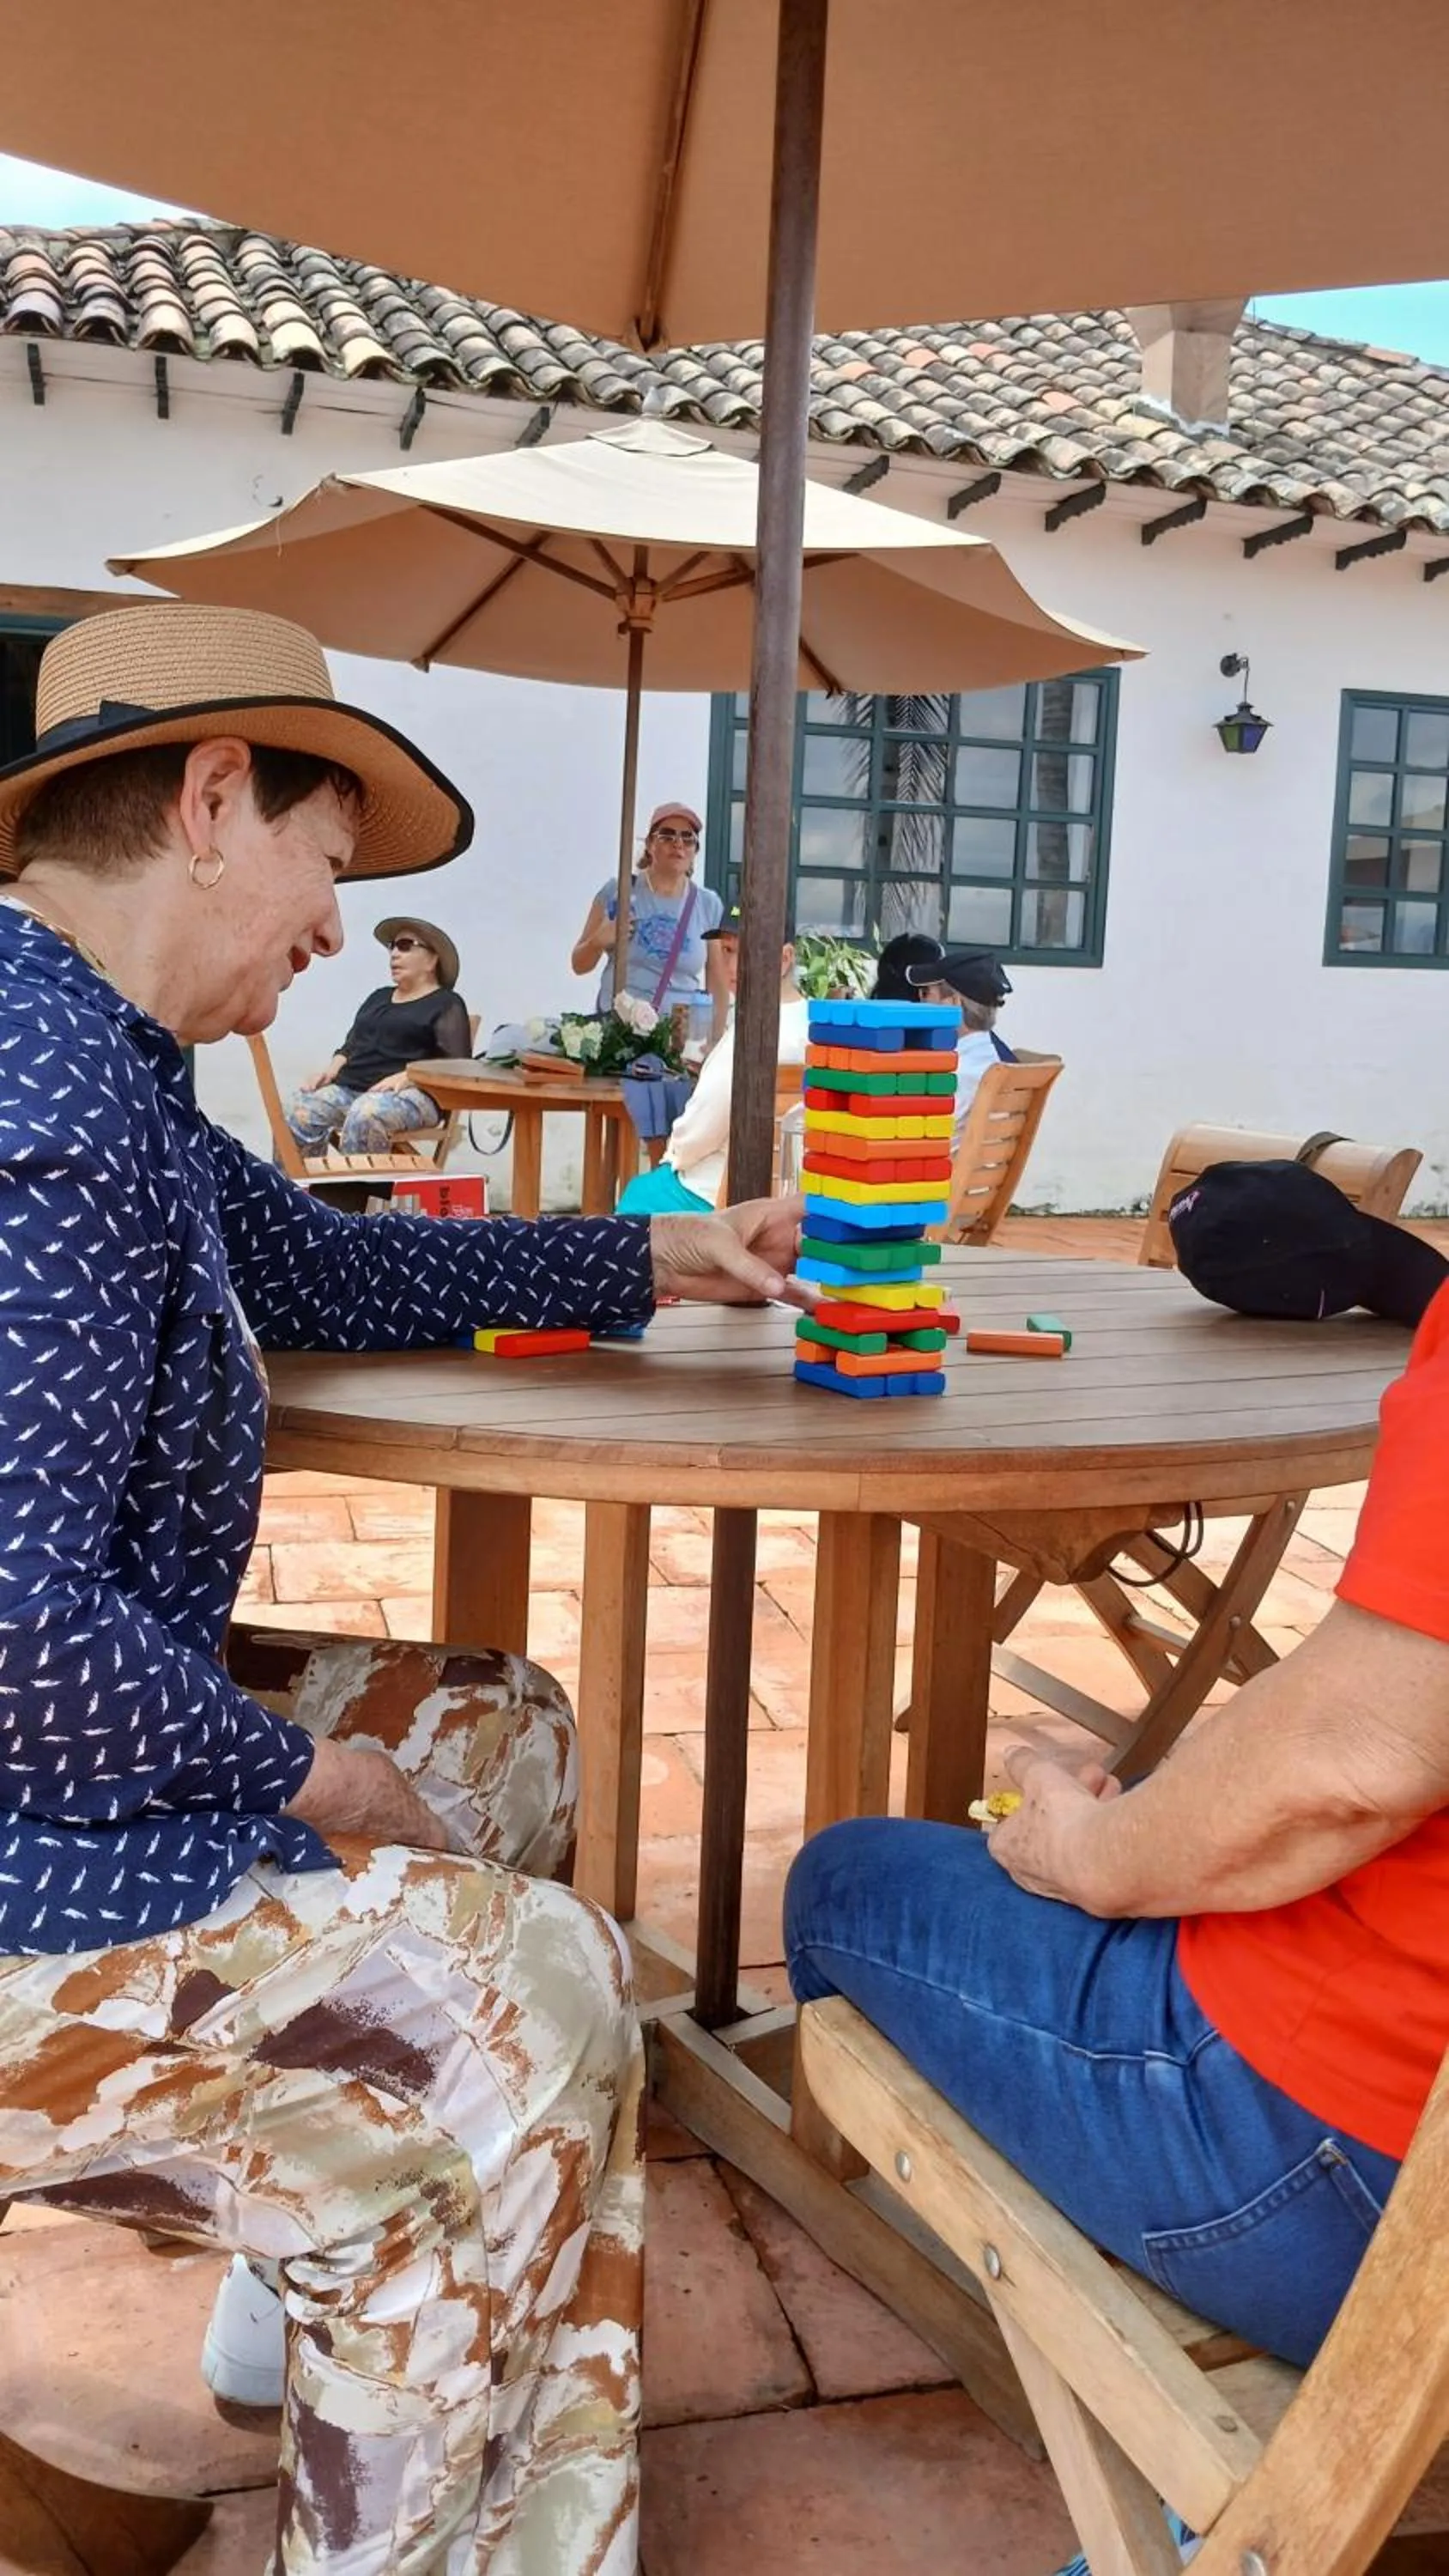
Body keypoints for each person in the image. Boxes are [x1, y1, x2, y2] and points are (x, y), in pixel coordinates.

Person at [0, 603, 806, 2576]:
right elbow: (14, 1629)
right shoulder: (49, 1122)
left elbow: (334, 1267)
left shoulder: (94, 1061)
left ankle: (321, 2273)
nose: (338, 935)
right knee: (535, 1996)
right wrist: (309, 1792)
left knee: (488, 1726)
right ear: (212, 799)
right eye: (329, 866)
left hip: (47, 1761)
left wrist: (651, 1259)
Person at [787, 1267, 1449, 2390]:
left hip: (1348, 2183)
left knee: (841, 1883)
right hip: (1376, 2148)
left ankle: (982, 2334)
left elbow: (1357, 1761)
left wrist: (1088, 1853)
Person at [620, 905, 809, 1212]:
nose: (732, 966)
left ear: (784, 959)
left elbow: (698, 1133)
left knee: (636, 1198)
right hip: (784, 1197)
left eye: (744, 953)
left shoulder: (752, 1036)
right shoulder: (813, 1025)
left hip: (714, 1194)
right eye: (727, 951)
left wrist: (673, 1157)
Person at [284, 912, 471, 1153]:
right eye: (392, 947)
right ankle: (297, 1188)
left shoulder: (447, 1004)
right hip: (352, 1090)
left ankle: (356, 1191)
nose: (394, 954)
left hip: (414, 1096)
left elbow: (457, 1065)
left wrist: (409, 1076)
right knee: (299, 1108)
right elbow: (351, 1045)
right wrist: (330, 1071)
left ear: (432, 960)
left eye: (405, 946)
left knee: (366, 1113)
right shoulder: (378, 997)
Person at [571, 799, 730, 1040]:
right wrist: (597, 941)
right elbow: (579, 965)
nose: (678, 844)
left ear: (695, 851)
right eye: (667, 835)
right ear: (650, 845)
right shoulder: (619, 891)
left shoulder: (707, 904)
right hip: (618, 1034)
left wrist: (715, 1042)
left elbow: (717, 979)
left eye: (688, 838)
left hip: (677, 1040)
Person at [874, 933, 1016, 1150]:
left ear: (953, 1004)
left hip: (929, 1178)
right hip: (975, 1179)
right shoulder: (993, 1061)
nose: (920, 1002)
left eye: (925, 993)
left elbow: (904, 1137)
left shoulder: (955, 1074)